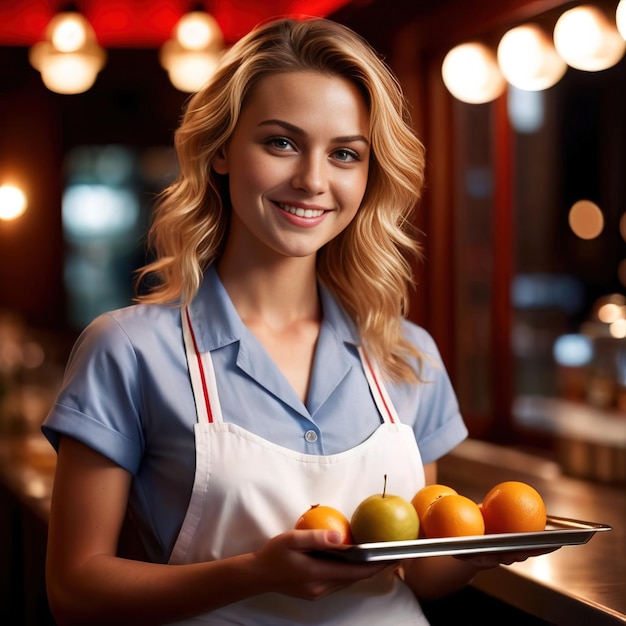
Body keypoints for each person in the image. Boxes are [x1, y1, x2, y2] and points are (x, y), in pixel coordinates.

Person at [42, 17, 548, 626]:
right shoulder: (127, 350)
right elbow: (74, 590)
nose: (312, 180)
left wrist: (485, 549)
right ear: (222, 149)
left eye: (344, 153)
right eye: (281, 142)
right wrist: (256, 573)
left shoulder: (404, 354)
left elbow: (419, 569)